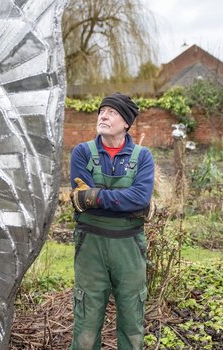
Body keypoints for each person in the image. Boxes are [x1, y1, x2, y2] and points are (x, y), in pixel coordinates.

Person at [69, 92, 155, 350]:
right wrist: (124, 202)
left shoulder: (142, 157)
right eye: (101, 111)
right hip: (90, 247)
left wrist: (96, 197)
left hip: (129, 247)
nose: (103, 116)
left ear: (126, 122)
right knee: (86, 325)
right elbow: (80, 199)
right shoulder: (82, 153)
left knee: (132, 326)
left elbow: (140, 197)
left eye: (112, 112)